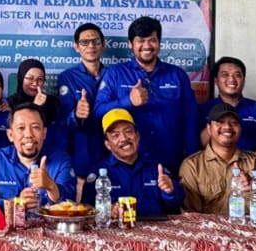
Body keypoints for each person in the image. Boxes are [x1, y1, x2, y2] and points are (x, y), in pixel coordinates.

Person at [95, 16, 197, 171]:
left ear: (159, 43)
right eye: (141, 41)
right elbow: (97, 112)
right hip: (128, 164)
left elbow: (191, 119)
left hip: (171, 162)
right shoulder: (115, 74)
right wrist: (128, 101)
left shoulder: (177, 75)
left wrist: (191, 160)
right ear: (131, 44)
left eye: (152, 40)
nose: (147, 46)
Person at [180, 102, 256, 215]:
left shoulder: (254, 161)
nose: (227, 127)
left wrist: (255, 187)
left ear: (240, 129)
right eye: (220, 122)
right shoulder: (192, 166)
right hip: (208, 226)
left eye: (234, 122)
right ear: (209, 128)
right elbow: (190, 215)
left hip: (248, 225)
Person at [79, 109, 182, 217]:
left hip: (155, 226)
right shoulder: (98, 173)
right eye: (115, 135)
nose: (123, 138)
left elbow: (177, 202)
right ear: (108, 144)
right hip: (117, 227)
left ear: (137, 136)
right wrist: (106, 210)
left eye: (128, 131)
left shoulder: (155, 168)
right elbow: (86, 209)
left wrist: (170, 191)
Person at [0, 105, 77, 205]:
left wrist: (51, 186)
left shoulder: (61, 161)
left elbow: (71, 204)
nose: (28, 134)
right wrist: (17, 202)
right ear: (10, 135)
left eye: (35, 127)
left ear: (44, 133)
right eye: (21, 128)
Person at [197, 56, 256, 161]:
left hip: (251, 167)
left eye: (237, 75)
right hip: (212, 167)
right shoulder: (203, 109)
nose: (231, 79)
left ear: (243, 80)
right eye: (225, 74)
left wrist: (249, 164)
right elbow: (198, 143)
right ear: (216, 80)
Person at [58, 23, 107, 179]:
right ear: (76, 47)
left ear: (103, 45)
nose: (91, 46)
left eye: (95, 41)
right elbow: (64, 120)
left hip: (112, 146)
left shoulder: (113, 74)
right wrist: (76, 114)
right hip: (82, 149)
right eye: (85, 42)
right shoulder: (67, 77)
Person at [8, 58, 65, 156]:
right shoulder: (10, 103)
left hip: (52, 155)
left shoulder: (53, 103)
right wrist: (35, 107)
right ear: (21, 78)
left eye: (40, 79)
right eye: (30, 78)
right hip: (20, 156)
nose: (35, 83)